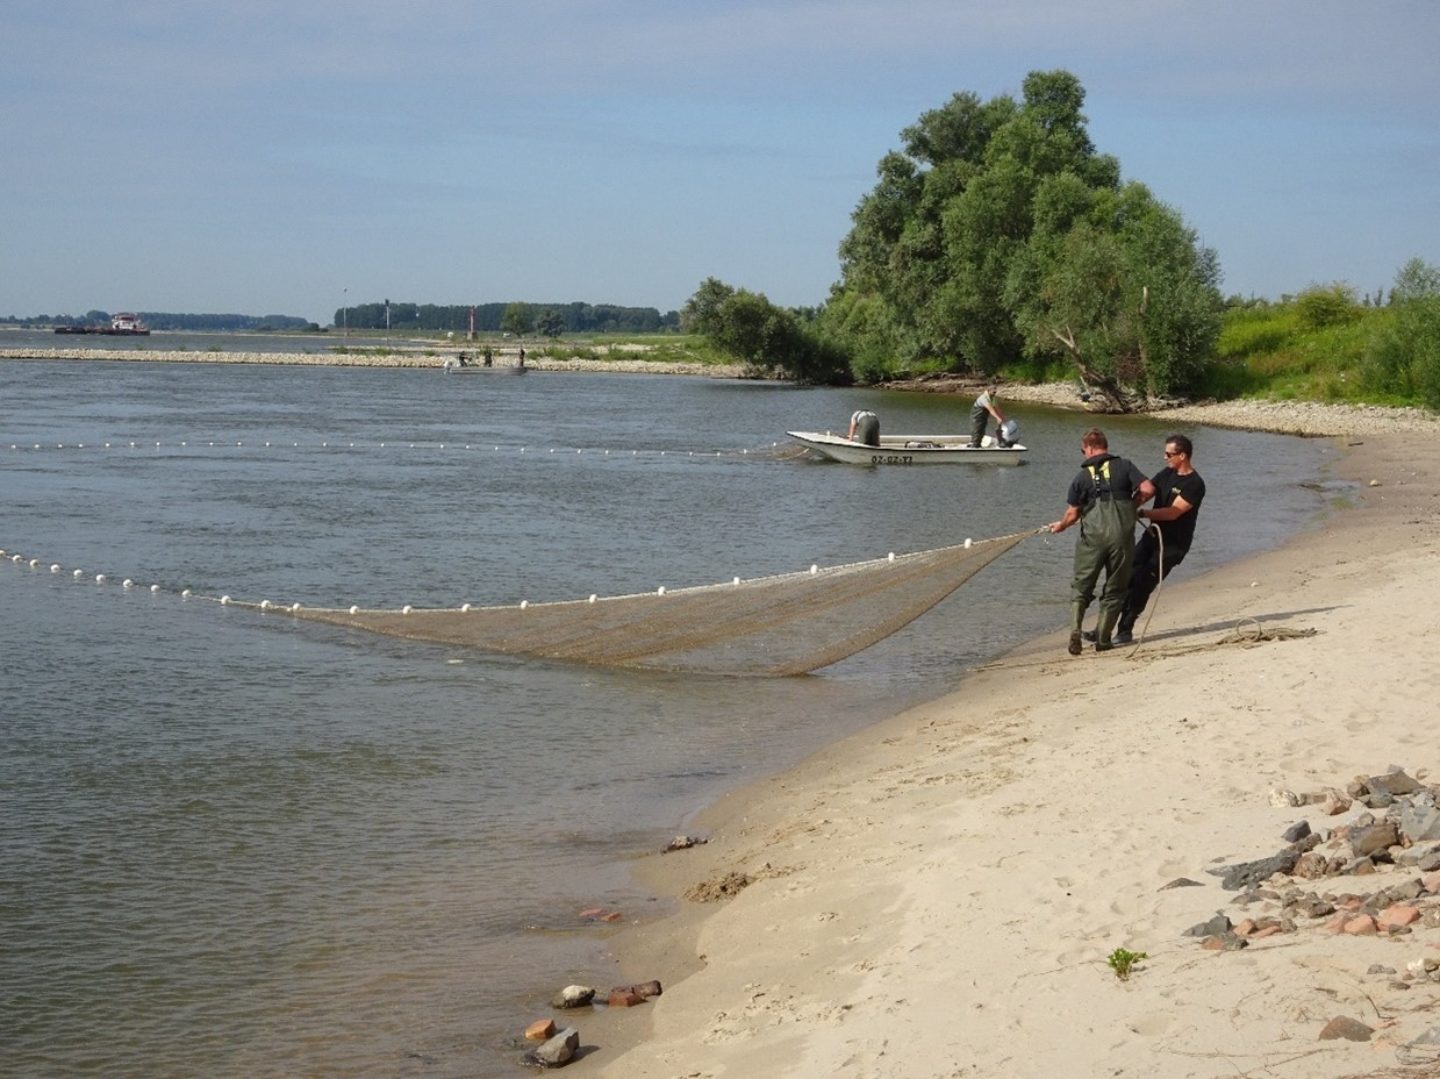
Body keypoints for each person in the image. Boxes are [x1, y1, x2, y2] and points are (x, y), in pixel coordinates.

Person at [1048, 428, 1154, 654]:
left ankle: (1076, 629)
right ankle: (1103, 639)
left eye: (1082, 450)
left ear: (1088, 448)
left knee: (1081, 586)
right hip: (1121, 538)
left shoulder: (1081, 477)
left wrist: (1061, 526)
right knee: (1116, 588)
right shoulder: (1125, 466)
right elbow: (1148, 489)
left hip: (1092, 540)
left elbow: (1073, 513)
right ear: (1105, 446)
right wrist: (1131, 506)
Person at [1106, 434, 1206, 645]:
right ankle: (1104, 627)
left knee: (1143, 584)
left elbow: (1173, 512)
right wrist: (1127, 505)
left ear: (1182, 455)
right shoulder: (1166, 473)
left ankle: (1125, 630)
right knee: (1127, 577)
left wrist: (1142, 514)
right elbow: (1147, 491)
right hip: (1151, 536)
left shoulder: (1195, 484)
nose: (1164, 457)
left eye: (1168, 454)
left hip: (1172, 547)